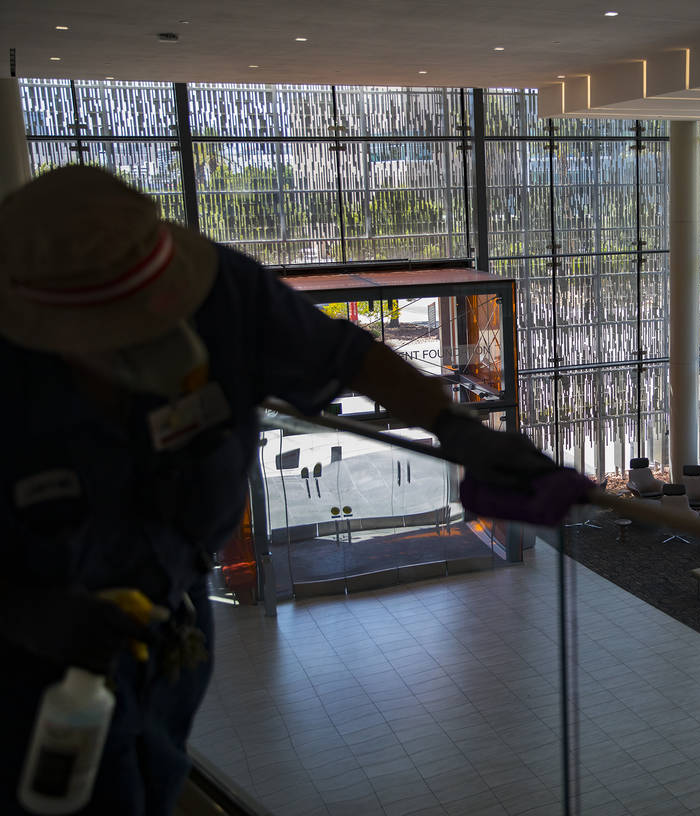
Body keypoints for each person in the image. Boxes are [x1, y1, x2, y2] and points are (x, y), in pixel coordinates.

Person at [0, 166, 591, 814]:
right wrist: (20, 613)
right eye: (115, 338)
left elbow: (346, 354)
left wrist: (454, 429)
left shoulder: (223, 290)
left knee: (157, 767)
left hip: (171, 606)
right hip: (35, 642)